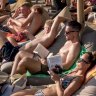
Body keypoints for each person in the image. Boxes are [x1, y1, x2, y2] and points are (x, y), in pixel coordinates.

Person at [10, 19, 82, 77]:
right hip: (48, 61)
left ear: (75, 33)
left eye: (67, 32)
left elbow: (67, 65)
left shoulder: (75, 46)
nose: (64, 34)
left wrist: (48, 63)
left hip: (52, 68)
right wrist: (46, 56)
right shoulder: (68, 42)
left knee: (25, 60)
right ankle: (12, 77)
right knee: (20, 53)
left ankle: (15, 82)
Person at [11, 51, 96, 96]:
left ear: (87, 65)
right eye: (79, 59)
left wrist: (57, 81)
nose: (78, 61)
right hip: (42, 90)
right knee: (15, 94)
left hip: (45, 94)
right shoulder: (74, 72)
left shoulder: (78, 79)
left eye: (81, 60)